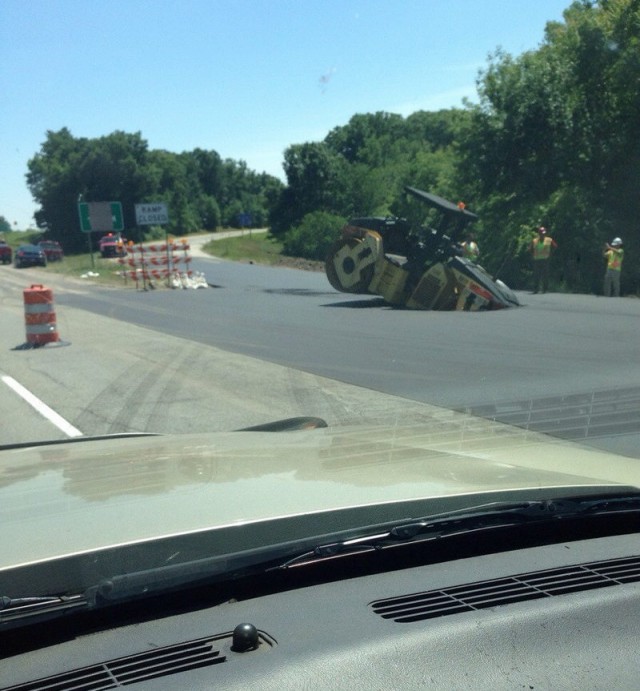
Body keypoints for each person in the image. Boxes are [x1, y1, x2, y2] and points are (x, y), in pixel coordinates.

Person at [530, 226, 557, 293]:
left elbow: (555, 246)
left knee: (545, 275)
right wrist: (533, 254)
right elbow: (530, 249)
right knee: (537, 275)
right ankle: (536, 289)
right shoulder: (535, 241)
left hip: (545, 259)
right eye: (541, 233)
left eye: (544, 233)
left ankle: (545, 289)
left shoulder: (549, 240)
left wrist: (550, 254)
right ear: (539, 233)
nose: (543, 234)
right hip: (537, 260)